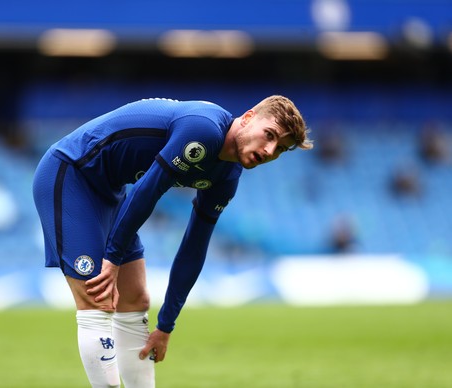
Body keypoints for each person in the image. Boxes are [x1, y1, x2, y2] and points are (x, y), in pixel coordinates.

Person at [32, 96, 313, 387]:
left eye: (279, 148)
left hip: (109, 192)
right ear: (247, 117)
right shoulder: (204, 130)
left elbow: (194, 246)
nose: (269, 150)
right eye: (269, 135)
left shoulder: (227, 176)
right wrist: (113, 258)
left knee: (136, 299)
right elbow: (147, 191)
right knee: (97, 298)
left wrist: (166, 324)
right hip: (70, 174)